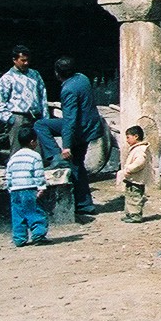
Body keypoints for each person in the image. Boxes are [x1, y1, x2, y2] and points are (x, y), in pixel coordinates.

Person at [47, 57, 103, 220]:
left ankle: (54, 155)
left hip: (79, 130)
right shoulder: (82, 78)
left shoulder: (68, 90)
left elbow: (70, 120)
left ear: (58, 74)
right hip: (90, 128)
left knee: (76, 165)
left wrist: (66, 146)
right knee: (78, 165)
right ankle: (85, 204)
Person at [0, 45, 55, 161]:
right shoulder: (7, 78)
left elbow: (43, 96)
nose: (26, 63)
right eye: (23, 60)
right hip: (18, 117)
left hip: (35, 117)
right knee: (17, 149)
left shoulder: (35, 75)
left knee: (37, 149)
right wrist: (9, 118)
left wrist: (45, 116)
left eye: (28, 60)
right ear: (15, 60)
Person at [6, 130, 49, 246]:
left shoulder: (13, 157)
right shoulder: (35, 156)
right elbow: (38, 173)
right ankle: (38, 235)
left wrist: (10, 188)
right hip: (29, 188)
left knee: (18, 214)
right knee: (35, 212)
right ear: (32, 142)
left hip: (15, 190)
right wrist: (41, 187)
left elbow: (8, 175)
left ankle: (19, 239)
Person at [118, 125, 151, 223]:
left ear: (136, 136)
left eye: (128, 137)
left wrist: (129, 169)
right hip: (132, 178)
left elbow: (140, 163)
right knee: (129, 197)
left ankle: (136, 215)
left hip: (136, 179)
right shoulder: (136, 148)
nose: (127, 140)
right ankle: (130, 214)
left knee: (135, 197)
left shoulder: (141, 150)